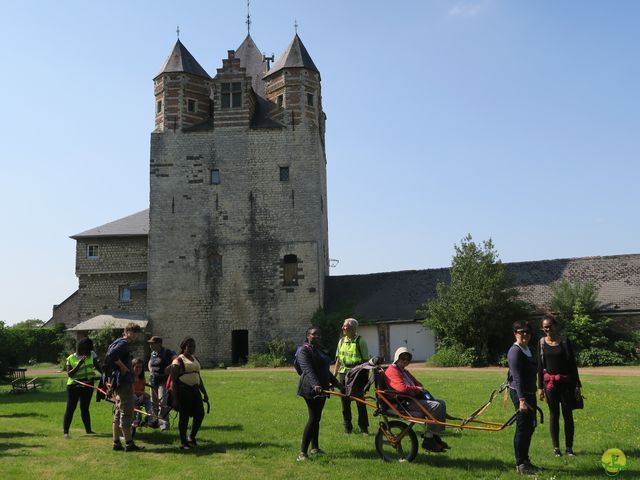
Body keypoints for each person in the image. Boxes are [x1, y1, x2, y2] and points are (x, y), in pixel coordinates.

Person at [384, 346, 449, 452]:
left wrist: (417, 388)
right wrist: (417, 389)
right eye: (402, 358)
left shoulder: (403, 371)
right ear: (397, 358)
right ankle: (429, 440)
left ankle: (433, 436)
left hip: (410, 399)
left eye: (407, 359)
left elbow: (418, 383)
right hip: (403, 403)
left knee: (441, 403)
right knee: (436, 406)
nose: (405, 361)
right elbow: (401, 389)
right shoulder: (392, 371)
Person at [537, 313, 582, 457]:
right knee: (553, 414)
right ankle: (556, 448)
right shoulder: (541, 343)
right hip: (550, 385)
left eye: (549, 326)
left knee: (568, 415)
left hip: (566, 384)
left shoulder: (564, 341)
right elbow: (540, 366)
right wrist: (539, 388)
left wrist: (577, 385)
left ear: (555, 326)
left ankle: (569, 448)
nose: (547, 330)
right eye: (545, 327)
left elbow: (572, 364)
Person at [296, 327, 342, 461]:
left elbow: (325, 372)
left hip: (322, 388)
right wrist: (315, 384)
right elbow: (307, 369)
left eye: (318, 334)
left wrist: (338, 384)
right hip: (310, 389)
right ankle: (302, 453)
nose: (316, 336)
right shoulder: (304, 350)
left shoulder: (319, 350)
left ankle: (315, 447)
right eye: (313, 334)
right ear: (307, 336)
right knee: (313, 418)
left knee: (317, 418)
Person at [105, 322, 144, 452]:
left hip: (119, 382)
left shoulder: (118, 341)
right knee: (126, 413)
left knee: (117, 413)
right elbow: (111, 355)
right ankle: (129, 443)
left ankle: (116, 443)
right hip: (124, 383)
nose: (135, 335)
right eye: (133, 332)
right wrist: (123, 367)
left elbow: (110, 354)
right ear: (126, 331)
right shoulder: (124, 343)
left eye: (137, 333)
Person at [508, 320, 539, 475]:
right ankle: (520, 465)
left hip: (530, 393)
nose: (524, 334)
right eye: (521, 332)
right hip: (520, 394)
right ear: (515, 334)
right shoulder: (515, 351)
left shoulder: (529, 349)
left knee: (530, 427)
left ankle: (526, 460)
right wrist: (521, 400)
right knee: (522, 428)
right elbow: (517, 377)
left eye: (527, 332)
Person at [170, 337, 208, 450]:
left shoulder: (195, 359)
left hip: (195, 390)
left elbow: (198, 377)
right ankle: (183, 442)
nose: (192, 348)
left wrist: (204, 392)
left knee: (200, 414)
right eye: (189, 346)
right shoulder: (178, 360)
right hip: (183, 391)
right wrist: (175, 399)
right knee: (184, 417)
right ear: (184, 347)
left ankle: (191, 437)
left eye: (193, 346)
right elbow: (174, 381)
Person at [333, 318, 369, 434]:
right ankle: (347, 428)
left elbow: (366, 363)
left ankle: (364, 428)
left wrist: (365, 381)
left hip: (357, 374)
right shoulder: (341, 341)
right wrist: (334, 376)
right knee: (345, 401)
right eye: (343, 326)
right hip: (344, 374)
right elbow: (338, 361)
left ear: (352, 328)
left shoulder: (361, 342)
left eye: (345, 326)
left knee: (360, 401)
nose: (343, 328)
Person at [63, 337, 102, 438]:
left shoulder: (92, 354)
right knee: (70, 408)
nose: (87, 350)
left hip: (88, 385)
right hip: (73, 386)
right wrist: (79, 364)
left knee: (85, 408)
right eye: (85, 348)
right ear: (80, 347)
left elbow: (98, 367)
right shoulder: (71, 358)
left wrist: (106, 375)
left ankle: (88, 430)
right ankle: (66, 432)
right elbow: (70, 374)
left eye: (89, 348)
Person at [147, 336, 176, 430]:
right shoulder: (153, 353)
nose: (150, 345)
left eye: (152, 343)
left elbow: (176, 360)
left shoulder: (167, 352)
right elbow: (150, 362)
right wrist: (150, 368)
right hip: (153, 381)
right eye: (150, 343)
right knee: (154, 403)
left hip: (163, 382)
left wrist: (170, 367)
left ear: (159, 343)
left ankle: (164, 427)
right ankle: (156, 423)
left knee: (163, 403)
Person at [132, 358, 153, 427]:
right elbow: (131, 391)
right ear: (132, 367)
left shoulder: (142, 379)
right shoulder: (130, 378)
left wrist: (143, 395)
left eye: (140, 367)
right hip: (131, 396)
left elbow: (142, 390)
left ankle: (151, 419)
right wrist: (142, 394)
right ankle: (134, 420)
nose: (139, 369)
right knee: (134, 398)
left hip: (139, 397)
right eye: (137, 367)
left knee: (148, 400)